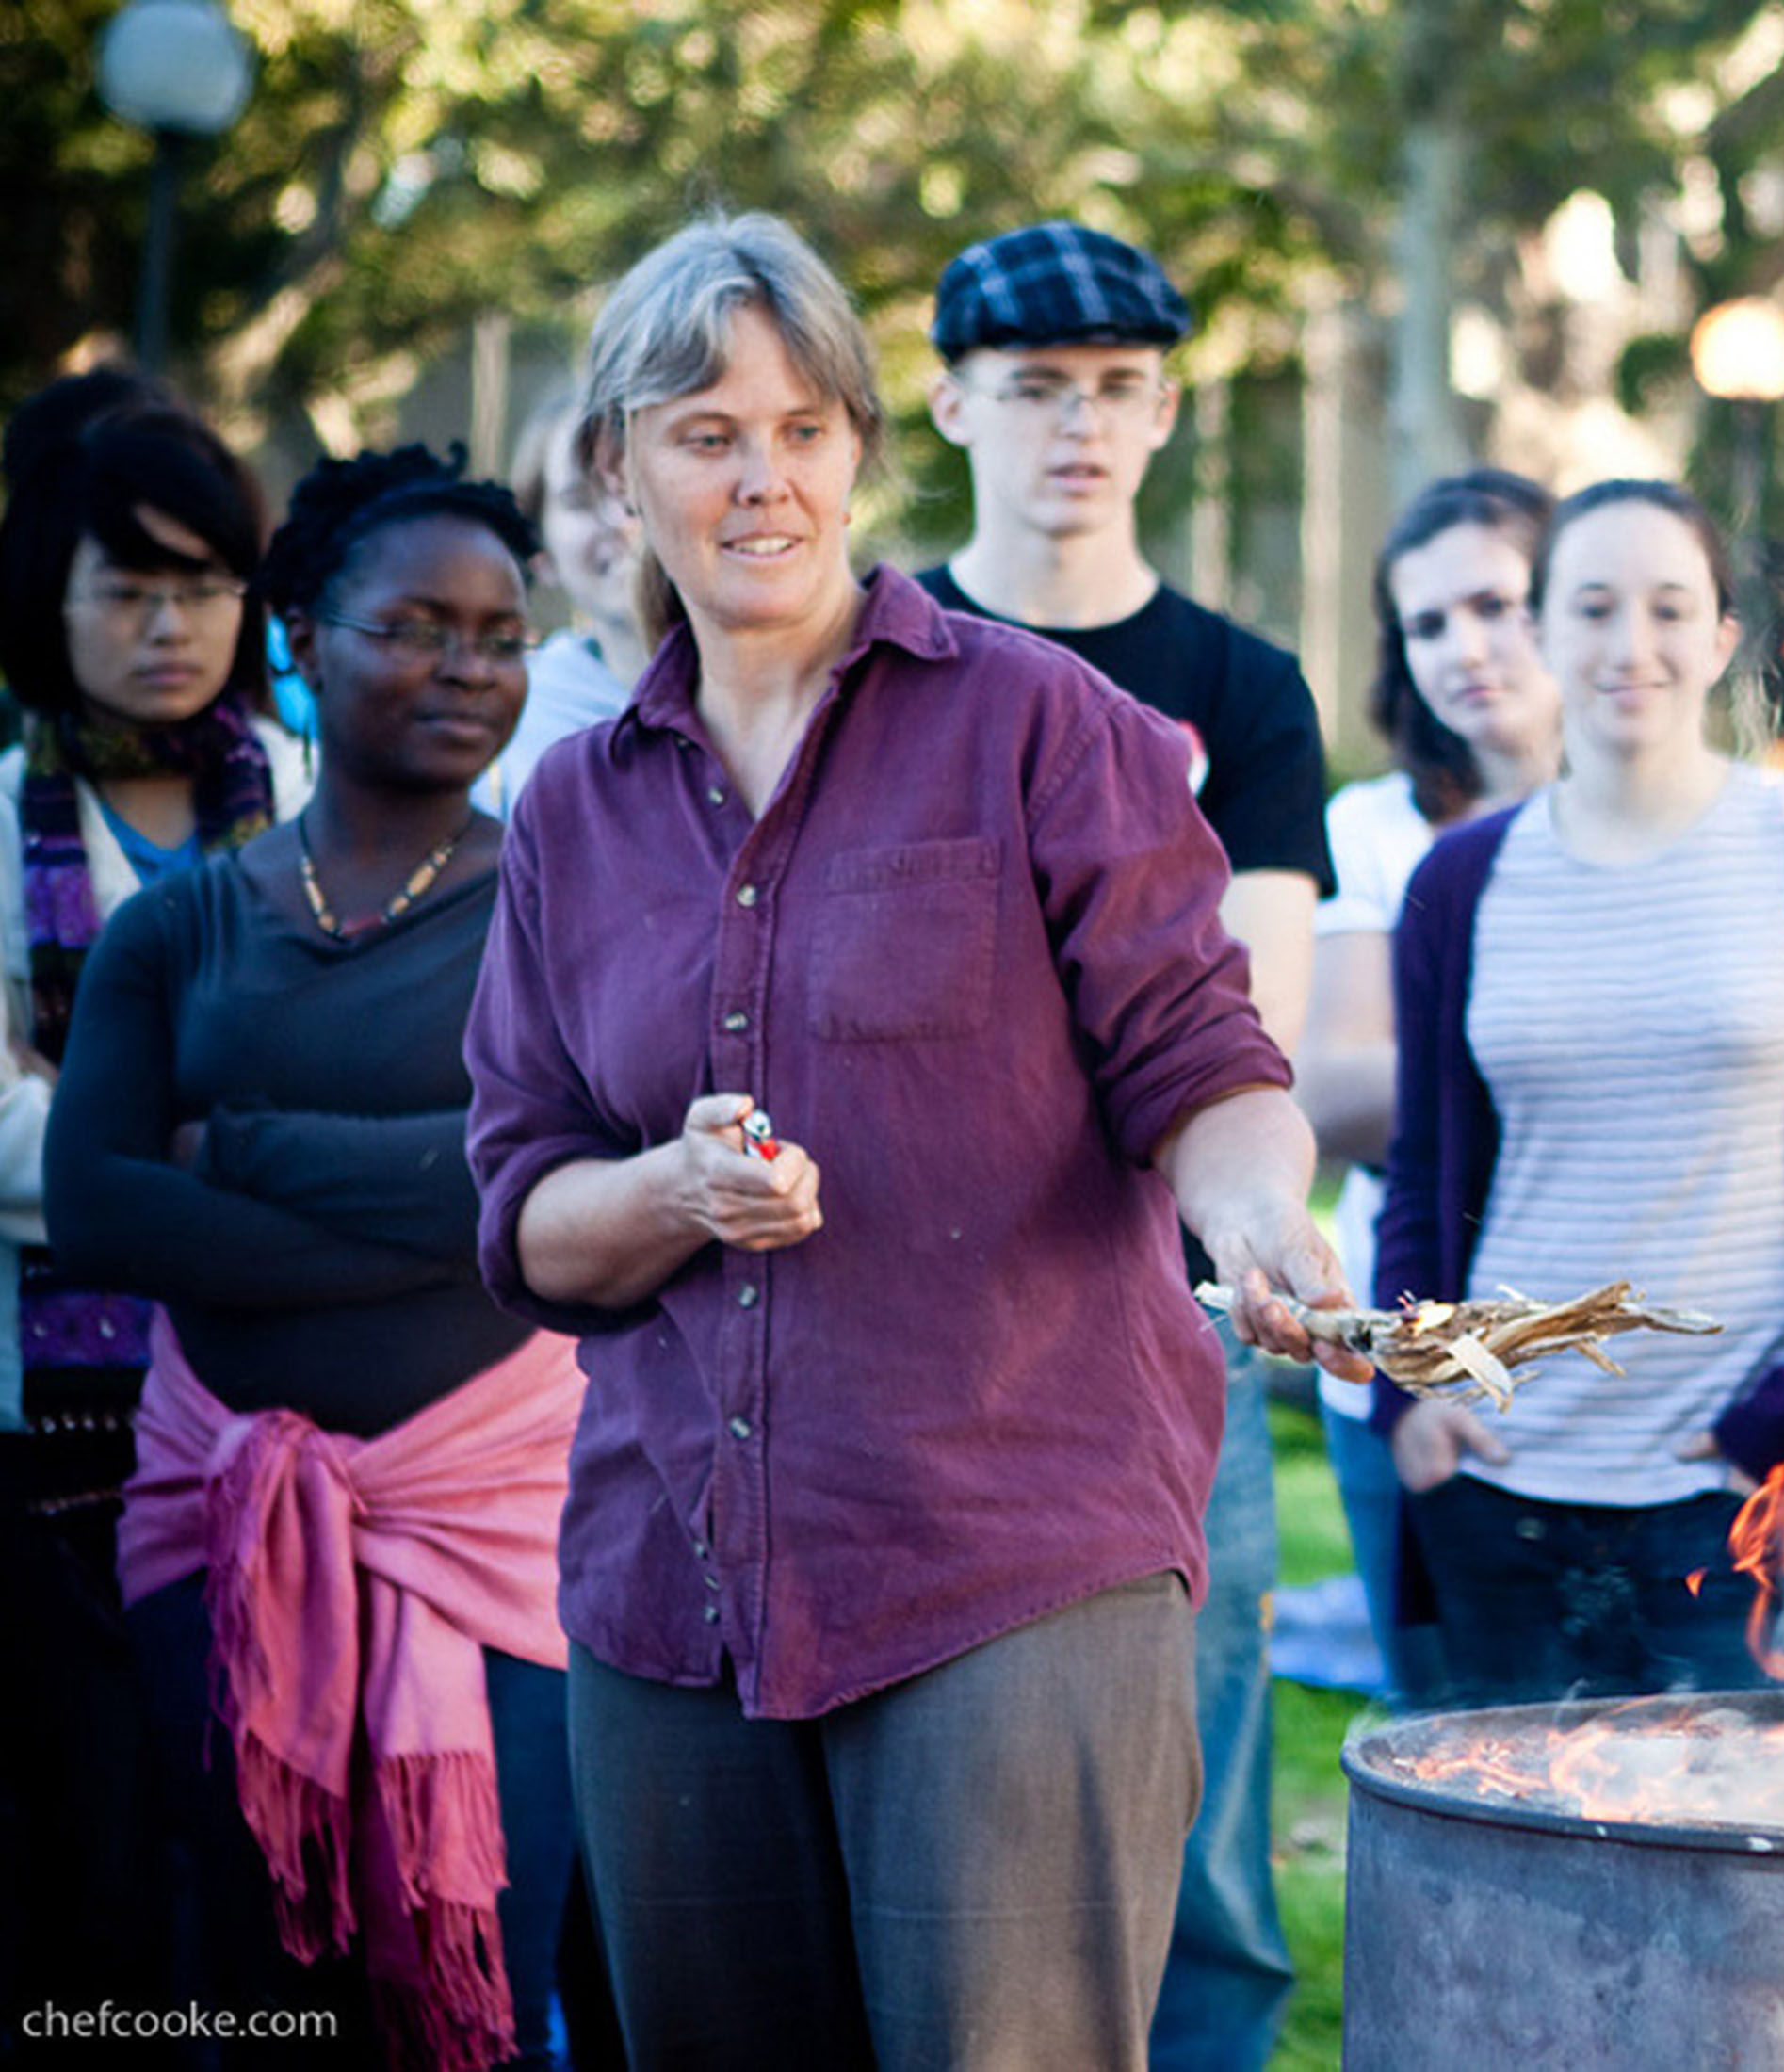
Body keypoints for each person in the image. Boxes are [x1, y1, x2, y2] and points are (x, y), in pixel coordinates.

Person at [462, 212, 1360, 2072]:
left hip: (1008, 1552)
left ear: (864, 446)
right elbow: (523, 1200)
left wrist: (1260, 1217)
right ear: (622, 466)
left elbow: (1199, 1048)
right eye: (706, 432)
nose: (762, 476)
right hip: (670, 1586)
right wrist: (665, 1190)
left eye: (804, 427)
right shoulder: (569, 806)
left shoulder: (1042, 724)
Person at [45, 444, 574, 2071]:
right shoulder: (180, 926)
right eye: (416, 624)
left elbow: (564, 1181)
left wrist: (251, 1151)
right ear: (301, 634)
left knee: (486, 1963)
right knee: (249, 1976)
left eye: (499, 632)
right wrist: (461, 1227)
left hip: (499, 1540)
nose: (469, 668)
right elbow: (104, 1214)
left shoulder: (567, 910)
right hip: (218, 1522)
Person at [920, 218, 1332, 2072]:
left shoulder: (1238, 691)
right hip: (899, 1324)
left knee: (1211, 1833)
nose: (1076, 428)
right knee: (914, 1808)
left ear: (1164, 410)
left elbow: (1250, 1017)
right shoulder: (876, 654)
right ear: (947, 404)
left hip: (1165, 1321)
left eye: (1115, 390)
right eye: (1033, 391)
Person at [1372, 478, 1784, 1706]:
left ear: (1722, 637)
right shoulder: (1460, 883)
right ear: (1540, 630)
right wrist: (1409, 1395)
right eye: (1591, 608)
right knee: (1508, 1879)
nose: (1629, 647)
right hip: (1499, 1494)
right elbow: (1423, 1174)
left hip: (1739, 1502)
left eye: (1668, 608)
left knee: (1741, 1877)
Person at [0, 371, 311, 2027]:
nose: (172, 623)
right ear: (51, 600)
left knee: (274, 1868)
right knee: (95, 1873)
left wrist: (111, 1139)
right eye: (128, 587)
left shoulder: (326, 810)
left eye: (204, 583)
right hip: (53, 1455)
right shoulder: (1, 818)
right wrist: (248, 1150)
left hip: (309, 1441)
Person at [1296, 468, 1564, 1704]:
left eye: (1494, 604)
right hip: (1421, 1345)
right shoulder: (1375, 828)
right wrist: (1577, 1054)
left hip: (1638, 1343)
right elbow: (1336, 1093)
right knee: (1453, 1736)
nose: (1463, 648)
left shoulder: (1690, 818)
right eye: (1426, 625)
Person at [478, 390, 651, 812]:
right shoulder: (507, 726)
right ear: (541, 554)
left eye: (637, 492)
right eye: (580, 500)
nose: (621, 522)